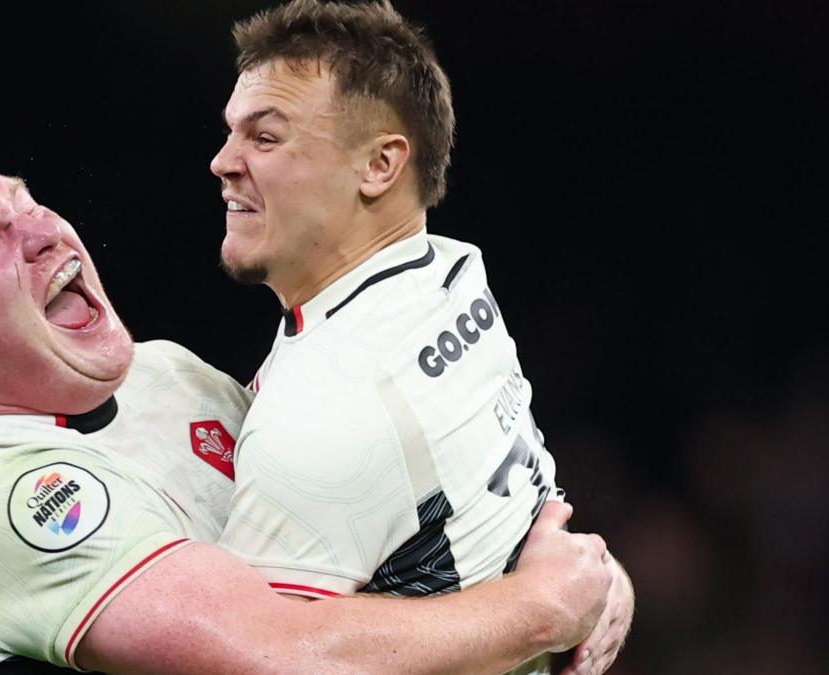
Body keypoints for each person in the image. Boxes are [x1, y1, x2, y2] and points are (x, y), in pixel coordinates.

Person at [0, 147, 613, 673]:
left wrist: (586, 577)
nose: (43, 230)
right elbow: (283, 655)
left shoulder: (164, 374)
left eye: (25, 201)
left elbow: (377, 531)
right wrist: (539, 607)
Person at [209, 2, 633, 673]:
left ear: (379, 165)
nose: (222, 161)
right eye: (232, 133)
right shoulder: (450, 271)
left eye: (265, 138)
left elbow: (254, 654)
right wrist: (591, 581)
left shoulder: (322, 408)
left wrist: (555, 603)